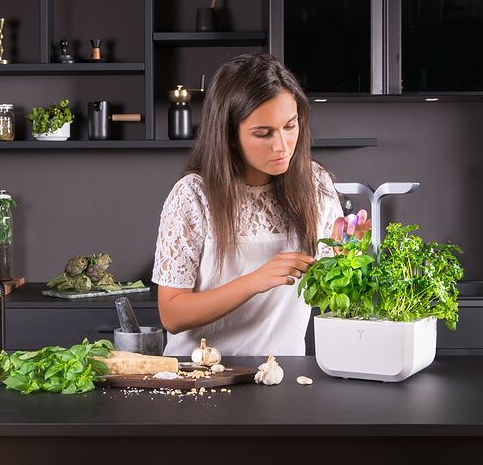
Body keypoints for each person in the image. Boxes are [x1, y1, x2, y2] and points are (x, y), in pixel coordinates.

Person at [151, 52, 370, 356]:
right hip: (199, 377)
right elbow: (172, 315)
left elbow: (330, 296)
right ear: (229, 135)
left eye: (290, 126)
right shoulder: (193, 195)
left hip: (283, 375)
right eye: (263, 133)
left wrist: (349, 257)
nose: (282, 146)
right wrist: (256, 280)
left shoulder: (315, 184)